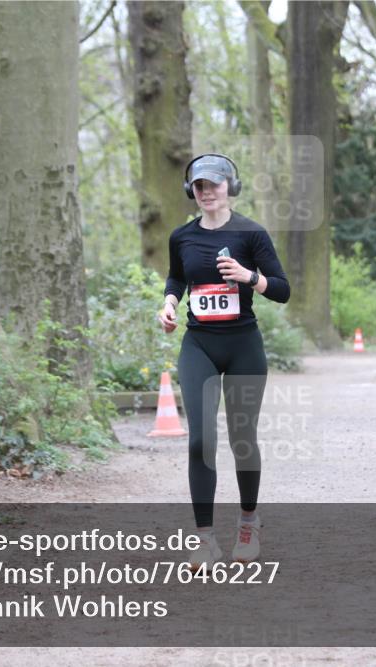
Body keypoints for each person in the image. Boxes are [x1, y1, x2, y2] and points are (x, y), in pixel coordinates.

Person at [156, 153, 290, 571]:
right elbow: (177, 276)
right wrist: (169, 303)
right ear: (191, 191)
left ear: (230, 186)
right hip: (199, 344)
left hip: (243, 345)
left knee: (241, 438)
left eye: (214, 184)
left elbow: (283, 290)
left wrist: (250, 277)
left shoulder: (252, 233)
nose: (207, 192)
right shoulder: (182, 236)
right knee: (201, 440)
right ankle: (205, 539)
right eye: (199, 186)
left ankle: (248, 523)